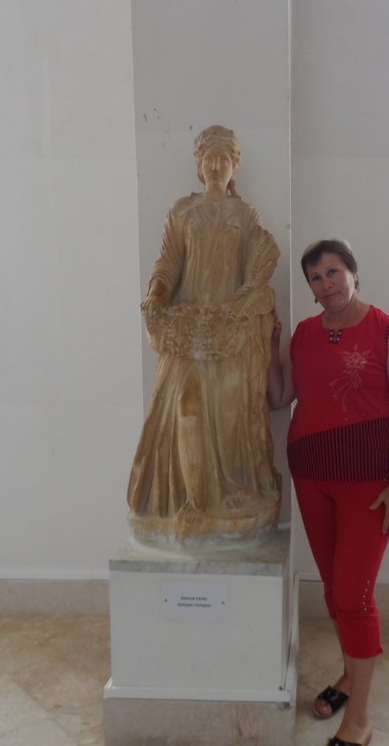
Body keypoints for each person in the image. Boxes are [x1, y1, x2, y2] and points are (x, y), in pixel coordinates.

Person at [268, 238, 389, 746]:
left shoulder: (387, 330)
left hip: (369, 486)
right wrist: (268, 346)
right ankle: (349, 678)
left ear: (354, 273)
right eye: (315, 277)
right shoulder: (305, 334)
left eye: (333, 272)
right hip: (311, 477)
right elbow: (280, 396)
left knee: (354, 596)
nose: (325, 284)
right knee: (335, 590)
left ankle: (359, 719)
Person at [128, 125, 281, 547]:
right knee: (186, 408)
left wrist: (249, 306)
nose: (215, 166)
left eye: (223, 159)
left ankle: (216, 500)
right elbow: (168, 263)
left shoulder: (245, 215)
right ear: (199, 165)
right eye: (208, 159)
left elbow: (256, 272)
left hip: (229, 333)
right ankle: (191, 501)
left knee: (231, 423)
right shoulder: (182, 212)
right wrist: (157, 294)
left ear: (235, 165)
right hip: (187, 330)